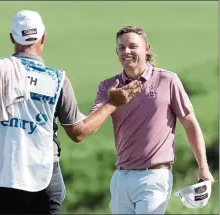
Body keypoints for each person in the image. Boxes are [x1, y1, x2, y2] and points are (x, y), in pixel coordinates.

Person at [0, 11, 142, 214]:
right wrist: (111, 104)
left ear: (12, 38)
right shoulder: (56, 80)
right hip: (44, 180)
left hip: (2, 179)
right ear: (43, 37)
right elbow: (78, 132)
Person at [90, 25, 215, 214]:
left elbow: (190, 124)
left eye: (133, 46)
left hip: (154, 176)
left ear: (146, 48)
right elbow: (91, 122)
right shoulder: (108, 86)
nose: (127, 51)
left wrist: (203, 168)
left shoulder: (168, 80)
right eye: (121, 48)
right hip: (120, 177)